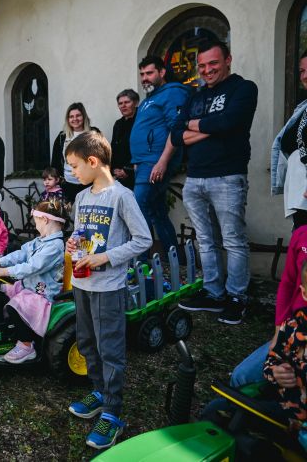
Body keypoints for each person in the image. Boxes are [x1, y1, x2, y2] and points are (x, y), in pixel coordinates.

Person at [64, 131, 152, 449]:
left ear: (92, 160)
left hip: (109, 288)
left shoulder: (121, 197)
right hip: (82, 283)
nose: (72, 172)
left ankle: (113, 413)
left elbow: (143, 240)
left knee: (110, 350)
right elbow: (82, 235)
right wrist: (74, 243)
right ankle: (100, 392)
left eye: (75, 166)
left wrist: (105, 257)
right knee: (87, 343)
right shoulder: (82, 198)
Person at [175, 40, 258, 325]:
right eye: (202, 65)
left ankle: (237, 298)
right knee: (206, 240)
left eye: (213, 63)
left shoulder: (243, 88)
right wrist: (212, 125)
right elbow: (175, 134)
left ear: (228, 60)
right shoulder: (194, 95)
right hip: (195, 176)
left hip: (227, 175)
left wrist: (194, 125)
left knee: (233, 240)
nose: (207, 70)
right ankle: (213, 294)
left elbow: (231, 121)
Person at [0, 200, 67, 364]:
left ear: (45, 220)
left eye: (36, 222)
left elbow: (32, 267)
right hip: (29, 286)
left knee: (16, 306)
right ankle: (5, 333)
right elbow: (21, 254)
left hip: (43, 293)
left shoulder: (55, 246)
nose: (35, 226)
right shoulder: (40, 241)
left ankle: (26, 346)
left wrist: (5, 271)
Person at [229, 225, 307, 389]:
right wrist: (279, 332)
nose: (304, 197)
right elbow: (288, 283)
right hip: (294, 334)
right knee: (241, 378)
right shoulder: (302, 234)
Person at [130, 57, 191, 258]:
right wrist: (137, 163)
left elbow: (176, 128)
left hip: (155, 162)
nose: (145, 78)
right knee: (157, 213)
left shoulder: (172, 93)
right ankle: (178, 261)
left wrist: (163, 161)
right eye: (142, 74)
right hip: (145, 163)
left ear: (162, 72)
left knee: (138, 212)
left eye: (149, 73)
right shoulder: (150, 99)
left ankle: (142, 267)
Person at [263, 259, 307, 435]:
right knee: (218, 409)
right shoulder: (293, 326)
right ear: (304, 293)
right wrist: (275, 371)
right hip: (287, 412)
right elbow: (272, 359)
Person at [272, 50, 307, 229]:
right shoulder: (302, 108)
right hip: (299, 193)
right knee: (302, 248)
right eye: (302, 71)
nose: (305, 76)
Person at [52, 102, 101, 203]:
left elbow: (101, 156)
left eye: (78, 115)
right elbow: (55, 160)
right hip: (68, 185)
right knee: (70, 216)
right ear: (68, 119)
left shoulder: (93, 133)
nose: (75, 119)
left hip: (89, 184)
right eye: (71, 117)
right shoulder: (62, 136)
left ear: (84, 116)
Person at [110, 89, 138, 189]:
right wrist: (114, 169)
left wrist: (127, 170)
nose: (123, 106)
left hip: (136, 173)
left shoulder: (141, 121)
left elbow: (141, 147)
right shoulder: (118, 124)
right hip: (119, 176)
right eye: (120, 103)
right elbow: (113, 148)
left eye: (127, 102)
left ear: (135, 103)